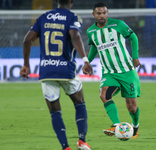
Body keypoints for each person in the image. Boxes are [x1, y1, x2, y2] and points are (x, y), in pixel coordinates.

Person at [20, 0, 93, 150]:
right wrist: (85, 60)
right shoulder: (73, 17)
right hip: (66, 69)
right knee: (79, 103)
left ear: (57, 1)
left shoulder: (43, 17)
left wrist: (26, 64)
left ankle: (65, 147)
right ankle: (82, 141)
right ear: (72, 1)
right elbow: (75, 37)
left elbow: (27, 40)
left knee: (55, 112)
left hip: (47, 71)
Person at [85, 2, 141, 139]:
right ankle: (116, 125)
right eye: (99, 13)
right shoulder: (91, 31)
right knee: (103, 94)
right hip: (109, 72)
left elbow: (133, 37)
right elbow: (94, 47)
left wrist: (135, 57)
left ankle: (135, 126)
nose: (102, 15)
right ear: (94, 15)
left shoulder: (118, 25)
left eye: (104, 12)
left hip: (127, 71)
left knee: (132, 107)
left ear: (107, 13)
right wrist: (87, 61)